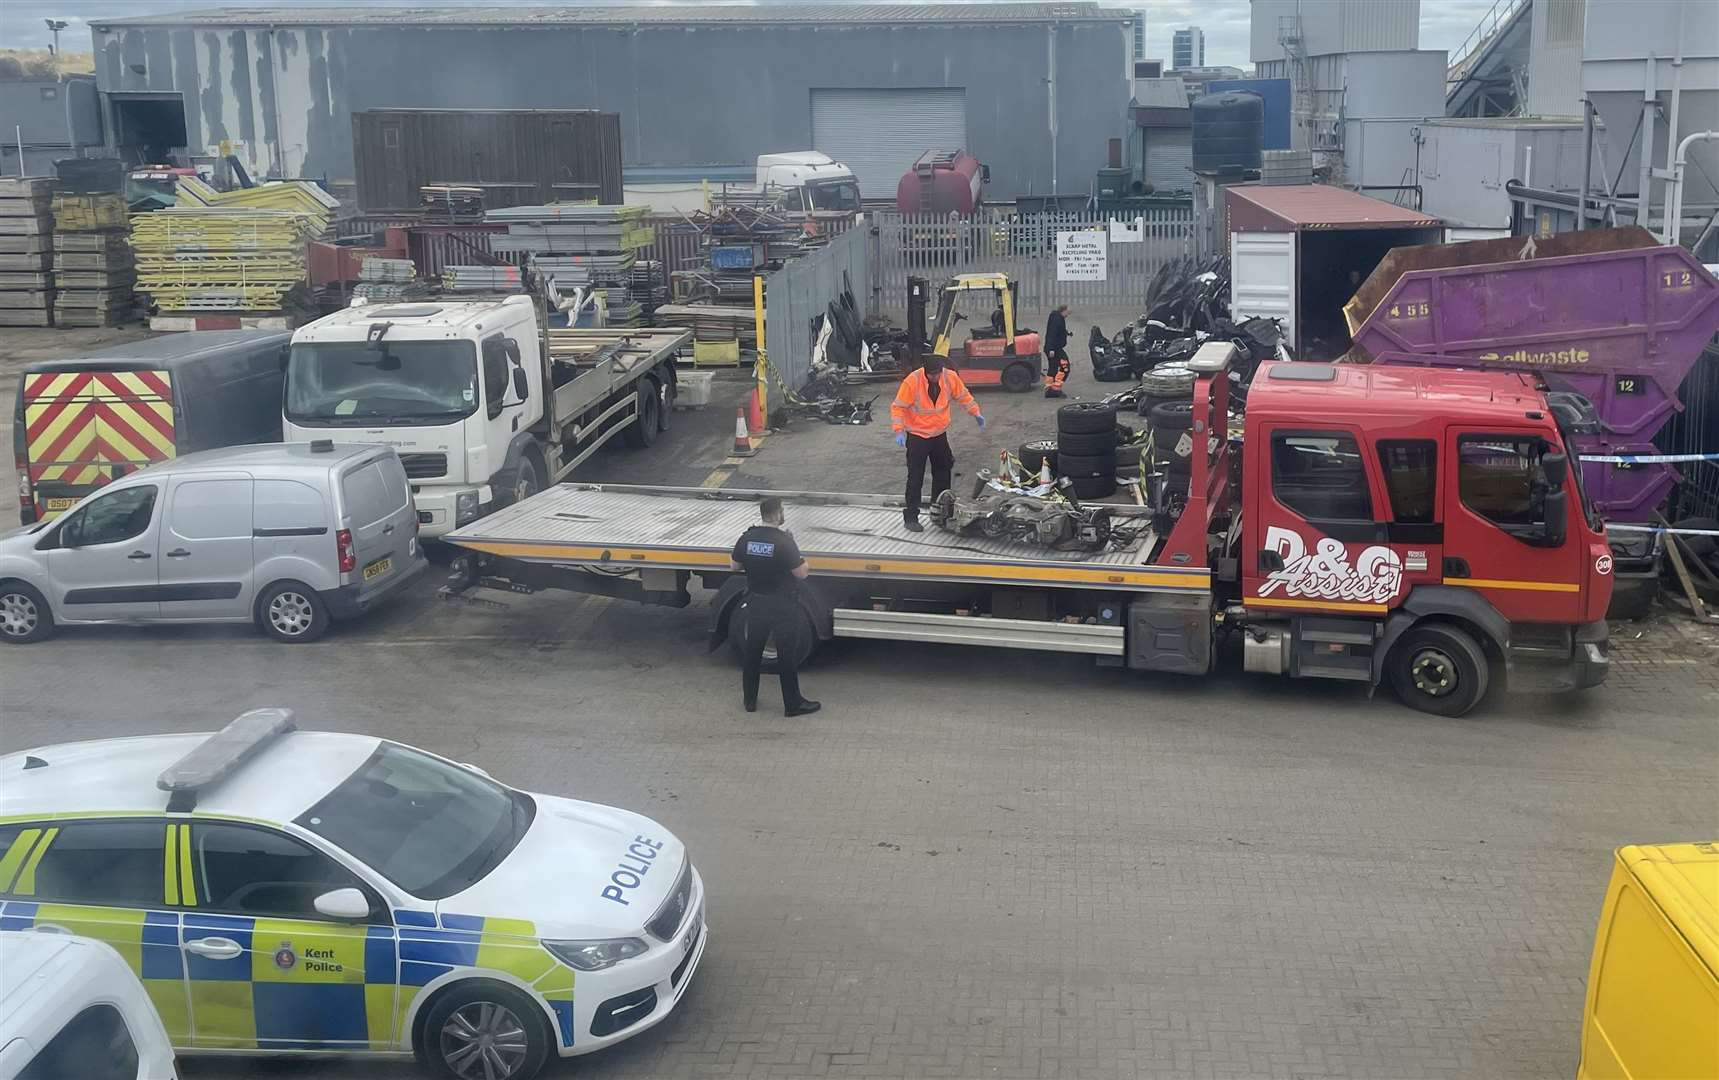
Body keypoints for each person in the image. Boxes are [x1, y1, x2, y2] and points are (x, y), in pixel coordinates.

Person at [730, 498, 821, 717]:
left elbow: (734, 566)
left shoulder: (747, 538)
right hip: (782, 605)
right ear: (775, 514)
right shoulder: (784, 541)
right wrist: (800, 554)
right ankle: (792, 704)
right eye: (782, 511)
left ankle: (749, 700)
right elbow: (801, 573)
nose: (783, 514)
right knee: (786, 655)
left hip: (757, 602)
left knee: (752, 652)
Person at [892, 354, 985, 532]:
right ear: (925, 372)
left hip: (939, 434)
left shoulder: (949, 377)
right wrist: (899, 430)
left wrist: (976, 413)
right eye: (931, 375)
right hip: (917, 436)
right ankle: (911, 517)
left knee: (943, 472)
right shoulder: (913, 381)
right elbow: (898, 407)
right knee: (915, 477)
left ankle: (941, 512)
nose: (935, 377)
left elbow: (963, 396)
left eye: (937, 374)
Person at [1044, 304, 1071, 398]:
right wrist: (1051, 349)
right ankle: (1056, 389)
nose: (1069, 313)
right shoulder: (1057, 319)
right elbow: (1052, 333)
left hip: (1052, 348)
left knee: (1053, 367)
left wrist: (1066, 333)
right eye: (1068, 311)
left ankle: (1049, 389)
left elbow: (1057, 331)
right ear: (1063, 310)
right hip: (1054, 349)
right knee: (1065, 367)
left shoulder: (1057, 318)